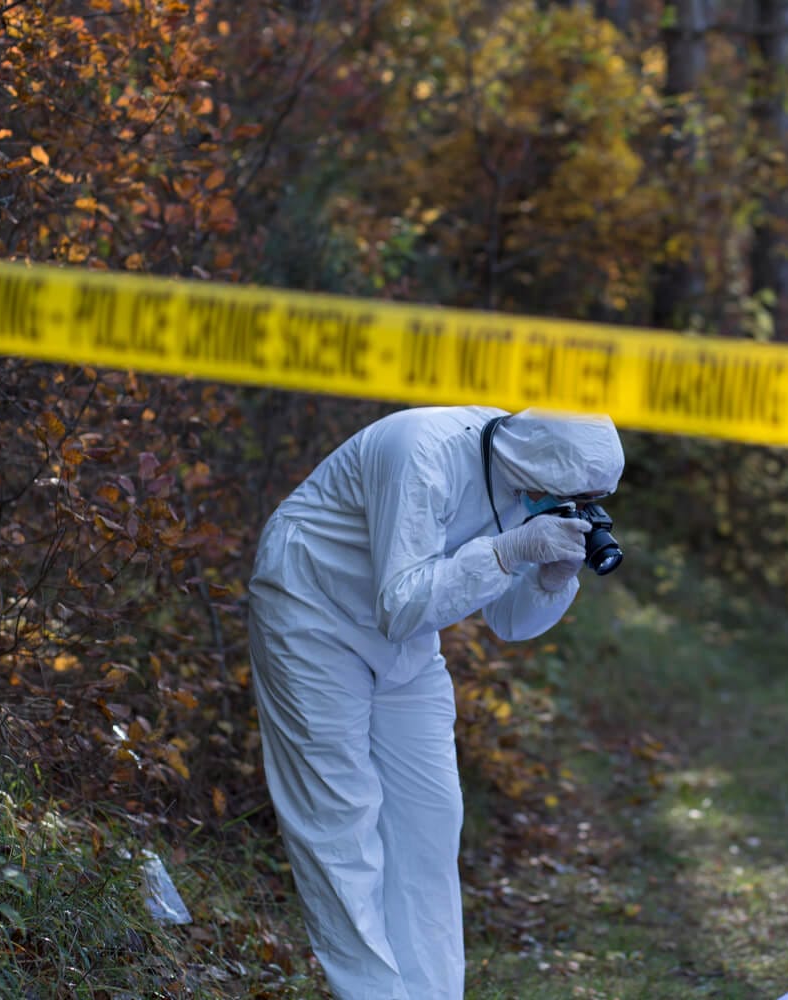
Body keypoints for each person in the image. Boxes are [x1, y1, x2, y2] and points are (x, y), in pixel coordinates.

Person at [246, 405, 624, 1000]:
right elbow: (401, 605)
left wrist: (549, 577)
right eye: (571, 499)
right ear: (534, 474)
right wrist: (509, 551)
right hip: (311, 605)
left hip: (407, 640)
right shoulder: (424, 452)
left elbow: (506, 620)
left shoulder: (534, 475)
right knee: (341, 821)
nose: (577, 510)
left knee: (431, 820)